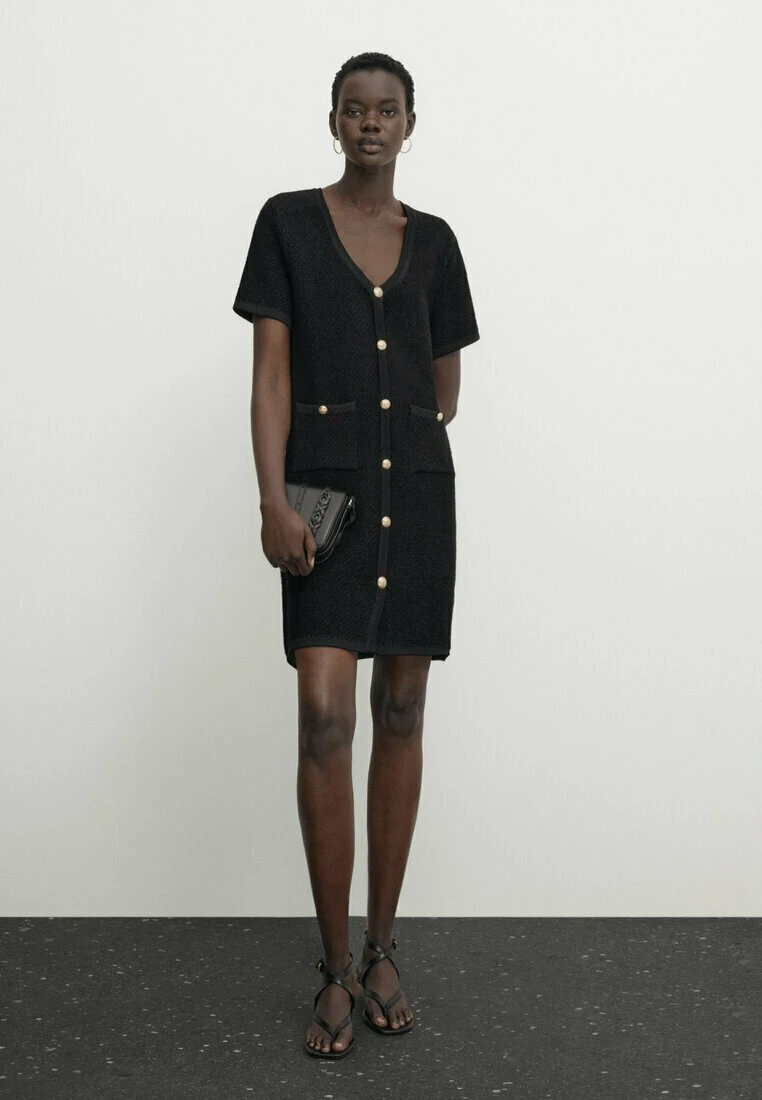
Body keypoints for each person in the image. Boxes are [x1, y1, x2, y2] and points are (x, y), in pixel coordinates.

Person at [232, 51, 480, 1059]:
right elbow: (270, 375)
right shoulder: (287, 224)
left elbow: (444, 389)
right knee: (325, 715)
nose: (370, 123)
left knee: (404, 710)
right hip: (323, 508)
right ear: (332, 122)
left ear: (411, 123)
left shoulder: (438, 242)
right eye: (353, 108)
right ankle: (334, 967)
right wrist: (272, 498)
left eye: (387, 109)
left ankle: (384, 949)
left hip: (415, 501)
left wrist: (395, 438)